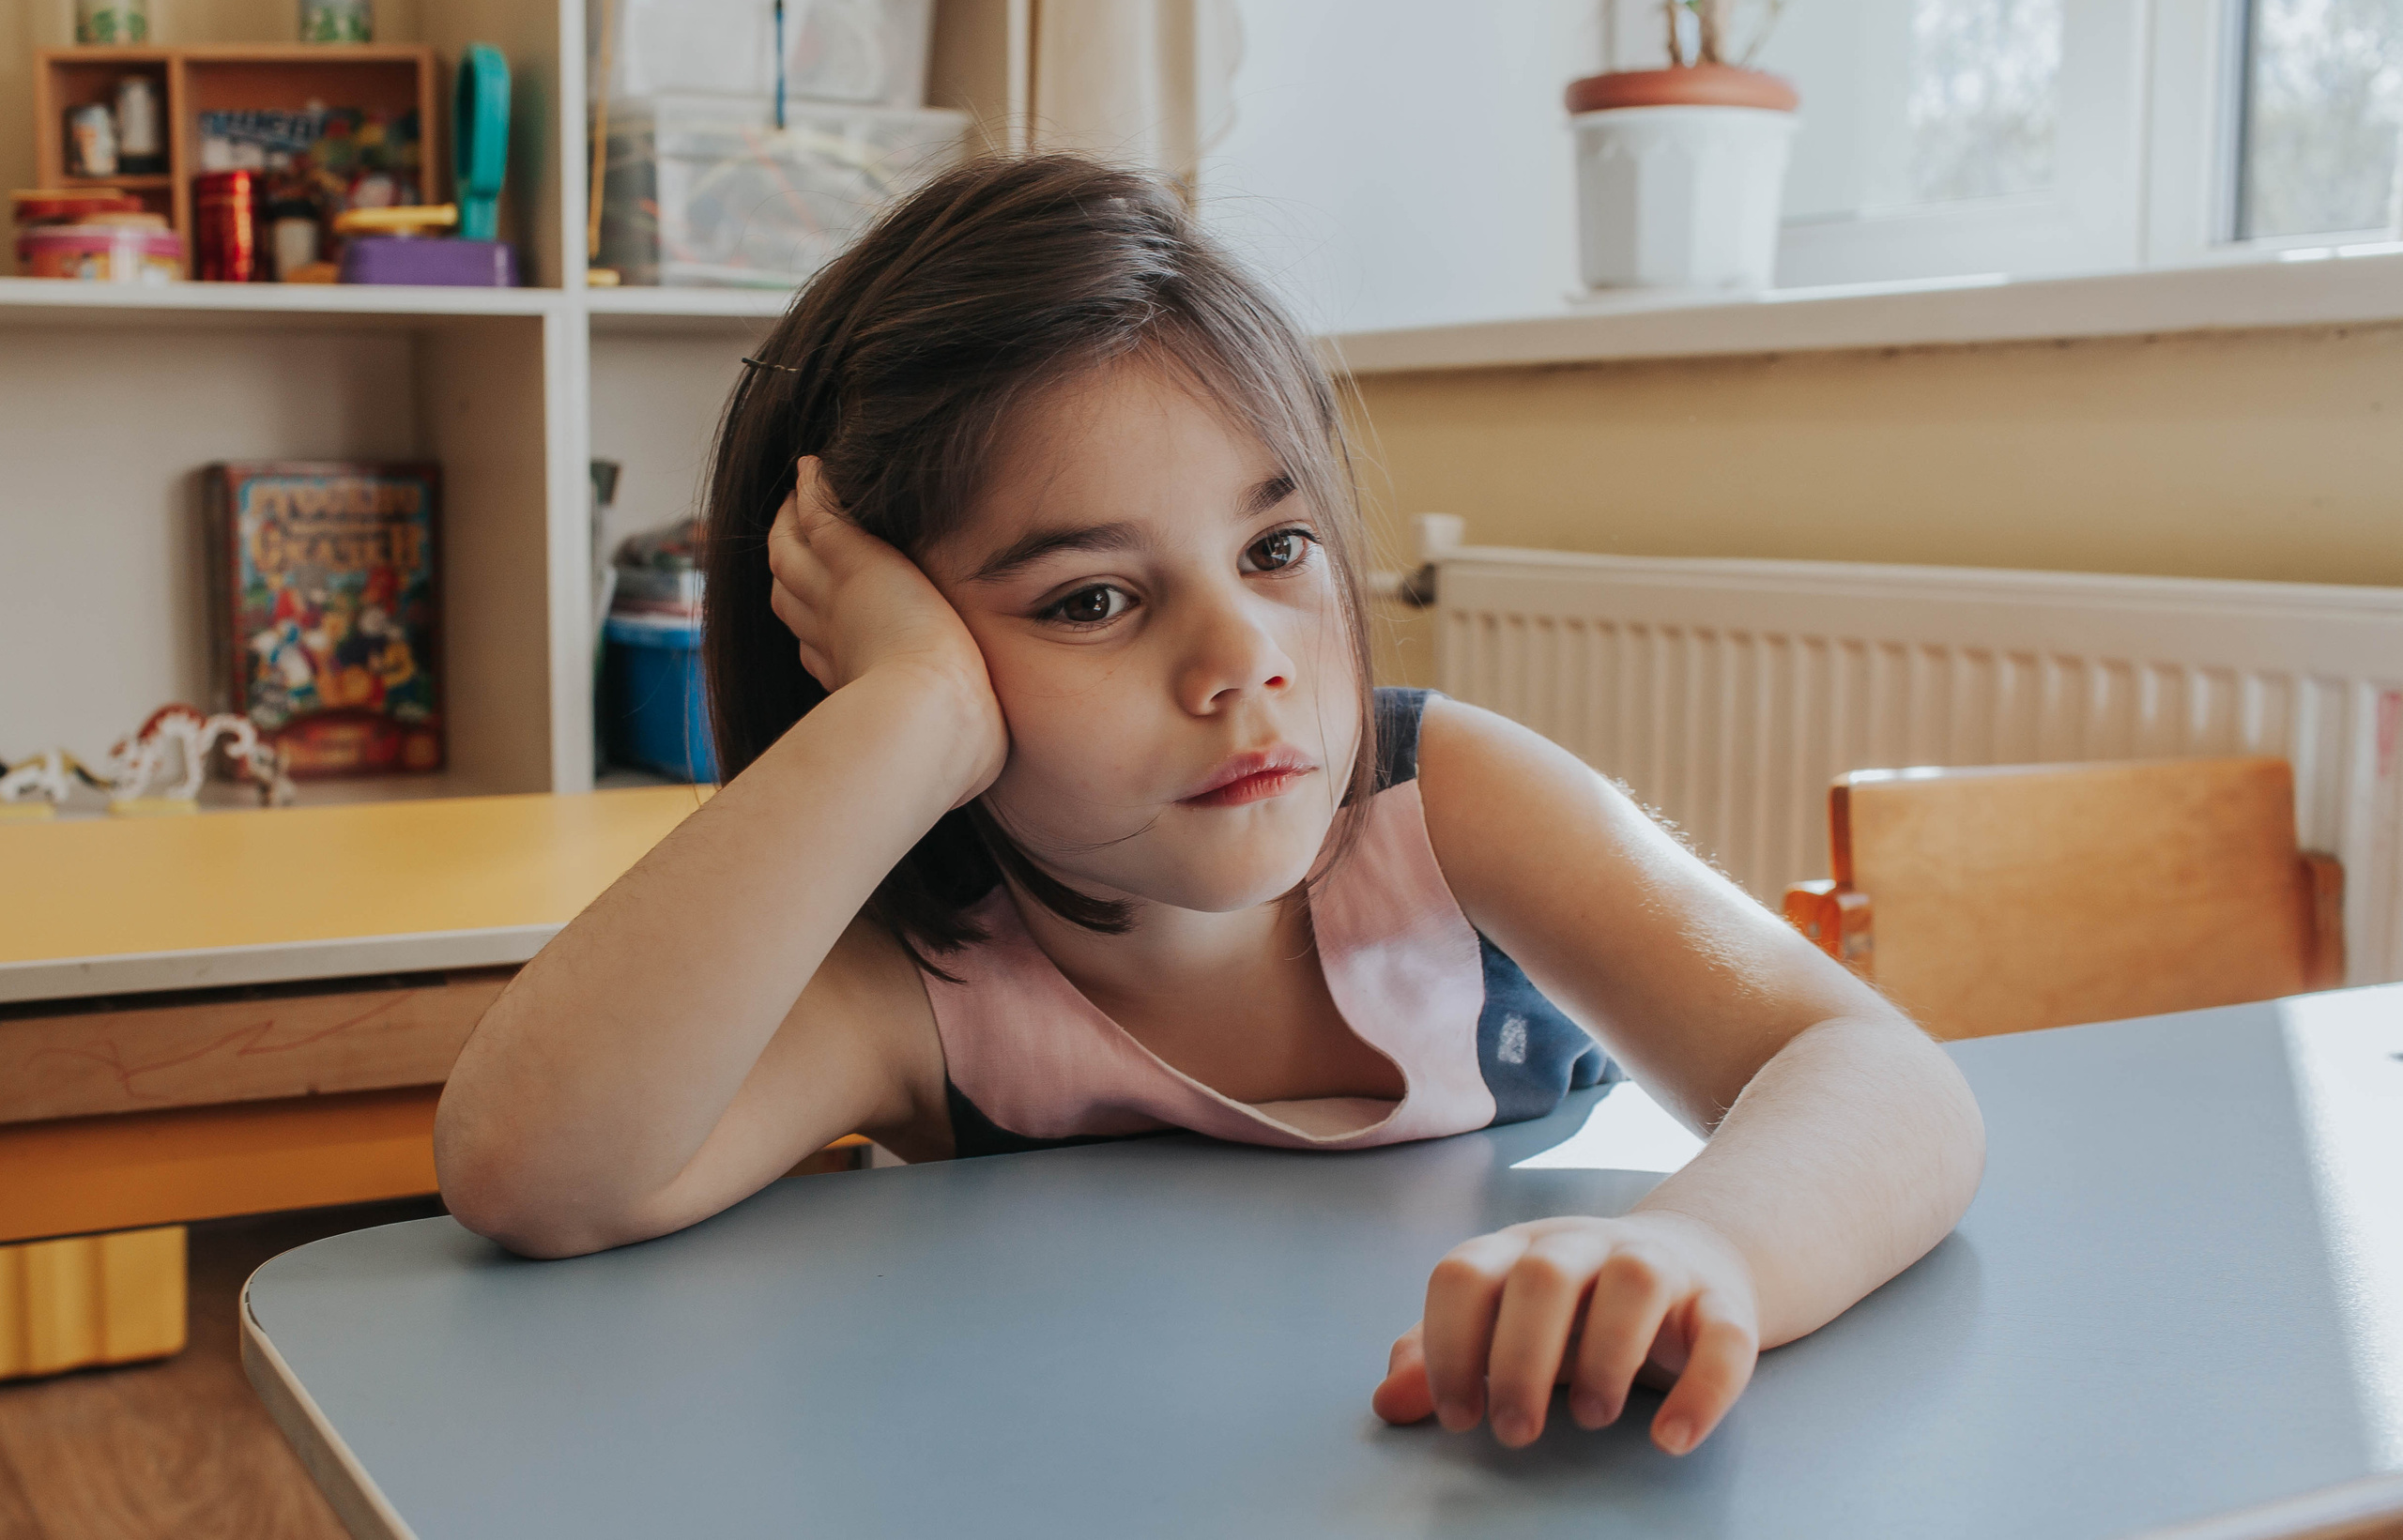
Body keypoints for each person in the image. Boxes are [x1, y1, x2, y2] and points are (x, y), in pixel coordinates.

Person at [435, 154, 1984, 1456]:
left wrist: (1699, 1246)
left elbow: (1873, 1072)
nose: (1245, 660)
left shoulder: (1439, 802)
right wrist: (902, 717)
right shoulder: (924, 990)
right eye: (1095, 598)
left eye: (1274, 551)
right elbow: (535, 1173)